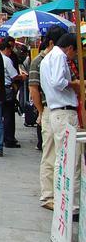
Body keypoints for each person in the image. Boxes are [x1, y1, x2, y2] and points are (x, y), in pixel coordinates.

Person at [40, 32, 82, 212]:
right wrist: (74, 84)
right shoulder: (58, 56)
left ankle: (62, 201)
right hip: (64, 113)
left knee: (62, 159)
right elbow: (58, 82)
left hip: (57, 112)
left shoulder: (47, 59)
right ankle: (70, 205)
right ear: (70, 48)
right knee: (70, 160)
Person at [29, 25, 66, 210]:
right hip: (48, 109)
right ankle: (48, 195)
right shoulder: (40, 61)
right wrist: (40, 111)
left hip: (54, 110)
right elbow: (33, 88)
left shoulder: (53, 59)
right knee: (50, 153)